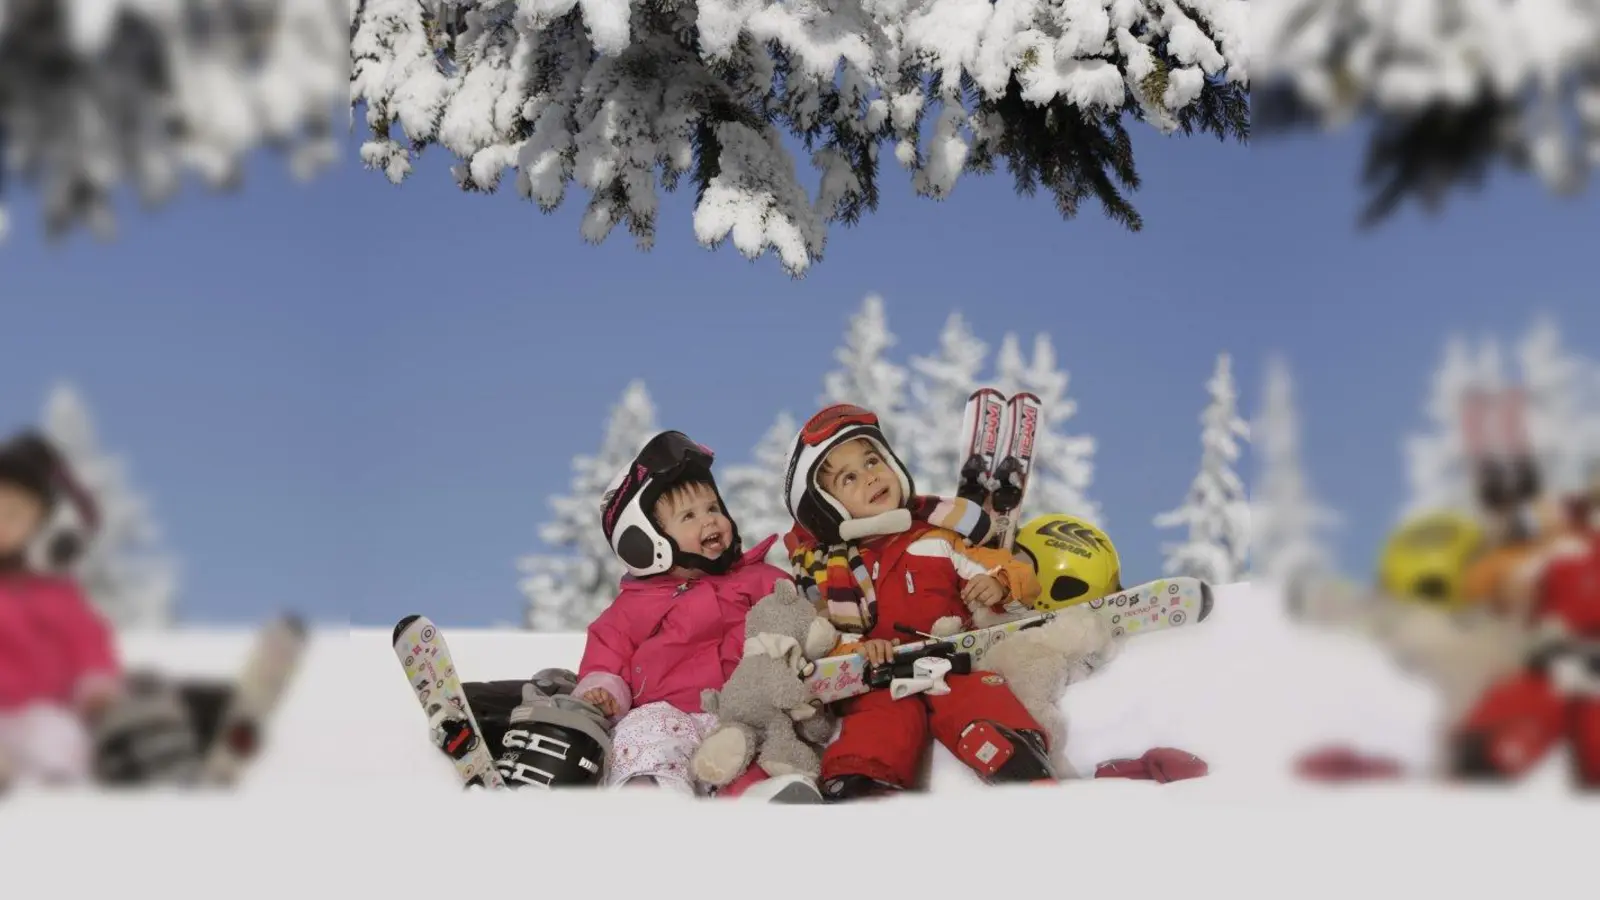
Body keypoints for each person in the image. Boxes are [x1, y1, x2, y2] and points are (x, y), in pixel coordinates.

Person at [780, 402, 1057, 801]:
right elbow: (823, 635)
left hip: (953, 660)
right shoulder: (834, 571)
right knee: (881, 715)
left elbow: (1012, 570)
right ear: (828, 506)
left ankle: (1014, 753)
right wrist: (859, 649)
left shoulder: (936, 539)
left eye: (873, 460)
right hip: (883, 674)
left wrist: (999, 583)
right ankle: (860, 778)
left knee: (977, 692)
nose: (871, 477)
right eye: (849, 478)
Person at [570, 430, 822, 802]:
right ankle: (651, 793)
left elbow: (793, 618)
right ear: (643, 542)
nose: (710, 521)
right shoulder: (631, 608)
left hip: (740, 715)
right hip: (672, 715)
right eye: (689, 515)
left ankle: (762, 799)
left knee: (764, 745)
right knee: (645, 734)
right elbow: (607, 654)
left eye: (713, 508)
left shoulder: (760, 579)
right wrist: (603, 690)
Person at [0, 430, 121, 787]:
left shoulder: (54, 591)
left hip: (42, 712)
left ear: (39, 522)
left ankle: (59, 792)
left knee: (59, 738)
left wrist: (95, 683)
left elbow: (87, 640)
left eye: (13, 513)